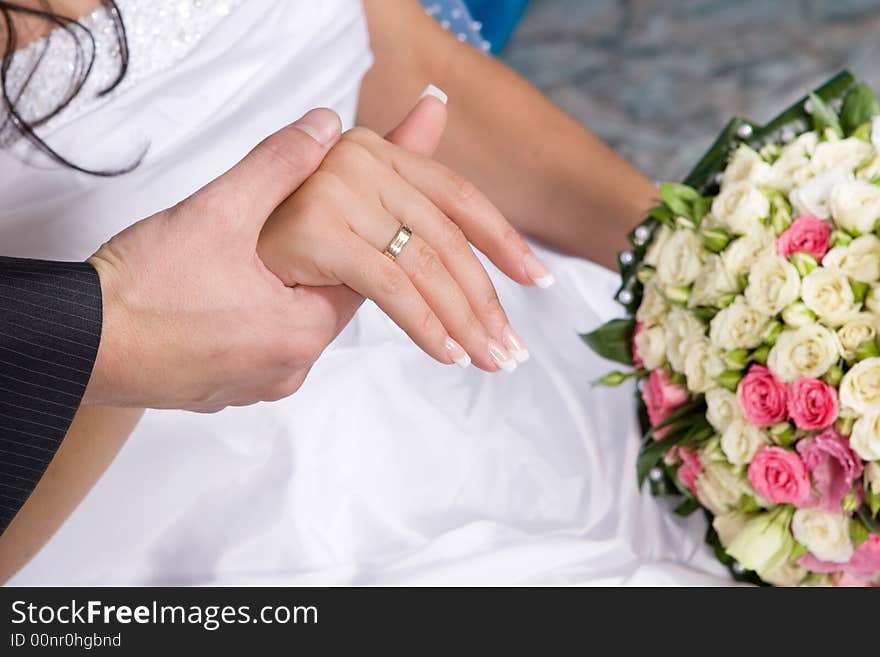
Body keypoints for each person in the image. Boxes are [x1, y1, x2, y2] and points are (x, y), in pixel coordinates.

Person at [2, 0, 727, 586]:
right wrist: (129, 328)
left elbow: (397, 57)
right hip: (169, 503)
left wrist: (704, 258)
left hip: (490, 351)